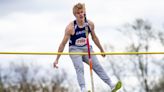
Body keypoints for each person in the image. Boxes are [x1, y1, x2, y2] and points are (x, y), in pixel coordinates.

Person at [53, 3, 122, 92]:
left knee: (97, 65)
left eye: (82, 12)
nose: (81, 14)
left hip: (86, 48)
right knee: (79, 67)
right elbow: (62, 44)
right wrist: (57, 59)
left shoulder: (89, 24)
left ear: (84, 12)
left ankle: (111, 85)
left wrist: (101, 49)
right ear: (75, 15)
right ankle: (83, 89)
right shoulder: (70, 28)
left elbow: (94, 38)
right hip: (74, 49)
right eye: (78, 13)